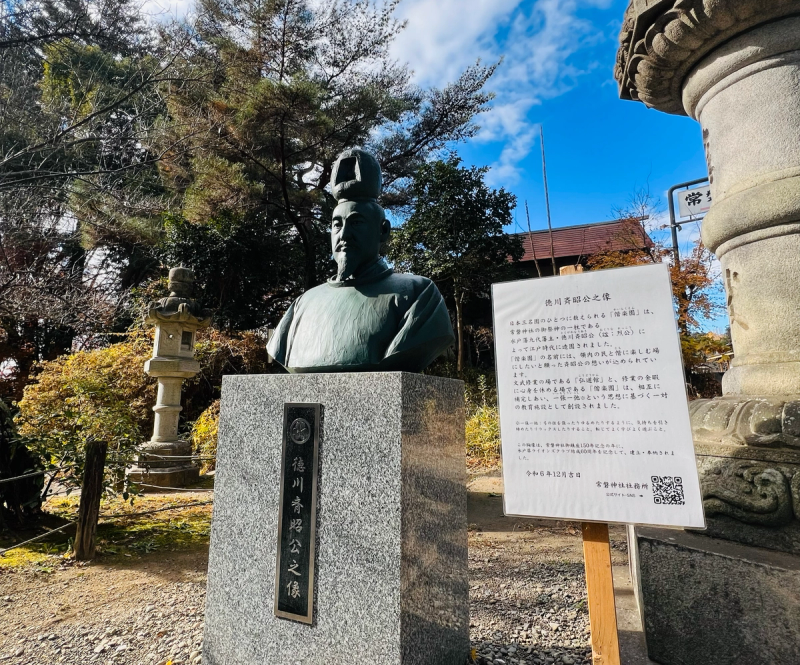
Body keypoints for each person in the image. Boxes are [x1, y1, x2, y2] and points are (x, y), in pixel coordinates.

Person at [267, 148, 454, 373]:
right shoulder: (303, 304)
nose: (344, 235)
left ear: (382, 231)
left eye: (356, 223)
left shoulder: (418, 294)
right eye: (337, 224)